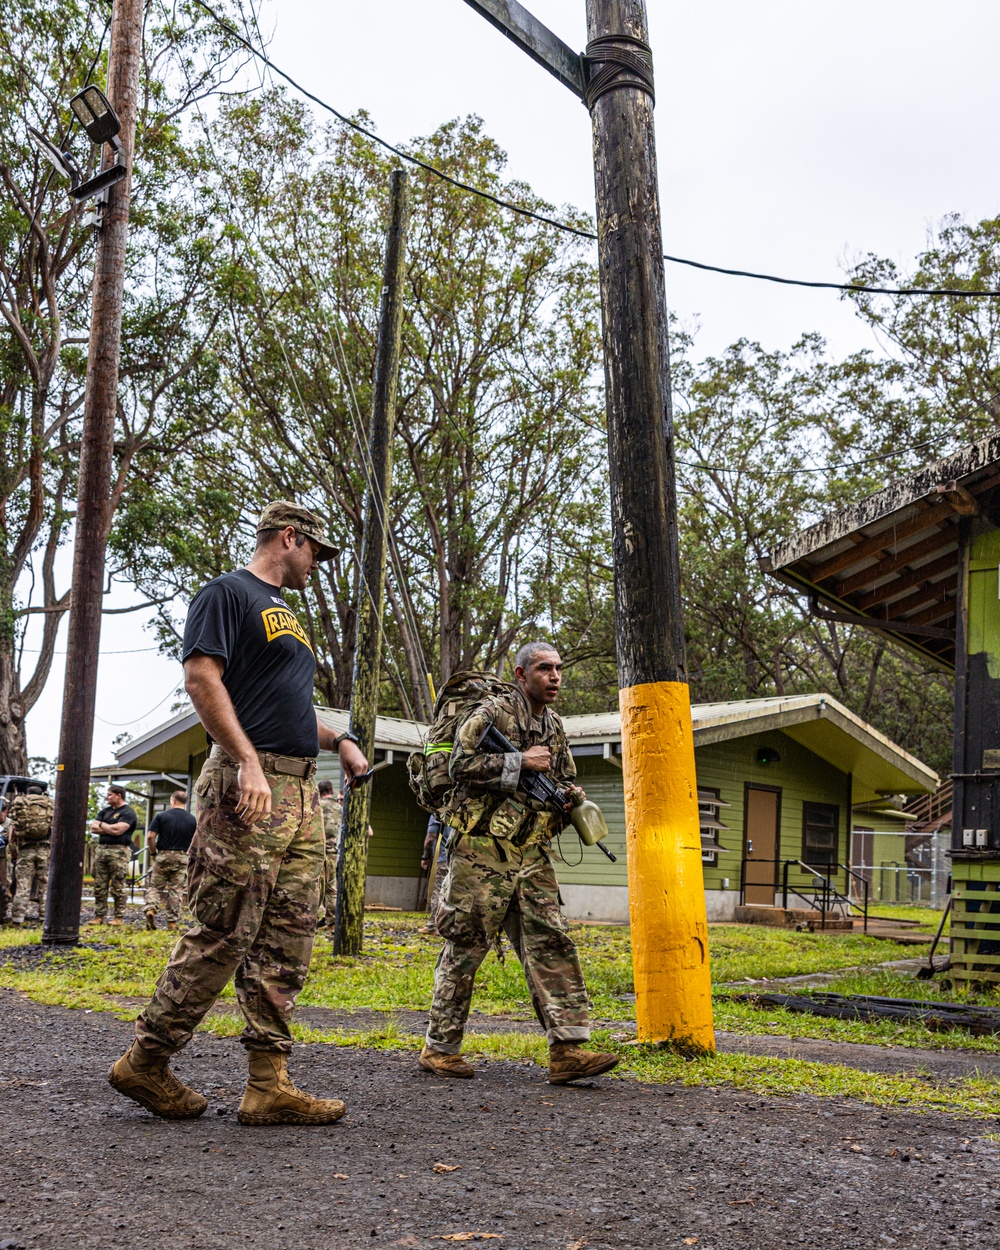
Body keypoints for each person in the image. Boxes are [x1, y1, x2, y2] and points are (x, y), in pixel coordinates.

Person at [109, 501, 368, 1126]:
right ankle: (146, 1060)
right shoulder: (227, 593)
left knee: (289, 935)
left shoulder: (290, 619)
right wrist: (246, 760)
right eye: (316, 553)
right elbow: (202, 679)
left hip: (301, 795)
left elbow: (286, 704)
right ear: (289, 538)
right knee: (222, 929)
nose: (318, 566)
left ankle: (267, 1083)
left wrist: (339, 740)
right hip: (248, 786)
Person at [419, 641, 619, 1085]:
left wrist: (571, 796)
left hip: (531, 852)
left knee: (551, 942)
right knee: (467, 945)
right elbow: (459, 765)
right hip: (483, 850)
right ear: (520, 673)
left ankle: (567, 1050)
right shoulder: (492, 713)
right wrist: (518, 761)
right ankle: (439, 1048)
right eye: (545, 668)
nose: (555, 676)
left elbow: (563, 774)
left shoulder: (554, 724)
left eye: (559, 669)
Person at [144, 790, 196, 931]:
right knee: (176, 889)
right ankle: (172, 922)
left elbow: (150, 836)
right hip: (182, 856)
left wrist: (153, 853)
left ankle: (151, 909)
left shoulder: (161, 816)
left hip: (163, 855)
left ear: (173, 800)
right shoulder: (192, 819)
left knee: (155, 886)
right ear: (185, 802)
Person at [90, 785, 138, 926]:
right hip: (102, 850)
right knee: (99, 885)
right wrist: (109, 827)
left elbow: (118, 831)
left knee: (118, 885)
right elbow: (93, 828)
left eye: (110, 794)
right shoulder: (104, 811)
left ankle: (119, 917)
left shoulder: (128, 813)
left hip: (119, 851)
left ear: (118, 795)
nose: (107, 797)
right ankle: (99, 916)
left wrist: (103, 825)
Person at [7, 784, 54, 925]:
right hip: (44, 848)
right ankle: (44, 917)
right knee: (45, 884)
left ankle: (17, 919)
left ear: (28, 793)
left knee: (23, 884)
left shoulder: (21, 803)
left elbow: (13, 829)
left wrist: (13, 850)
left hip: (25, 848)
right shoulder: (49, 804)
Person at [418, 813, 450, 934]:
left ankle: (433, 926)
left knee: (438, 892)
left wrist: (425, 857)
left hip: (443, 859)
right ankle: (450, 926)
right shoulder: (461, 812)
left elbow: (431, 838)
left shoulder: (438, 814)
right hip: (460, 861)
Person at [317, 778, 342, 926]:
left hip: (316, 853)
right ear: (332, 791)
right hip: (333, 853)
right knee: (331, 887)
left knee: (315, 887)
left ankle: (310, 918)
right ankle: (331, 919)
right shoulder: (341, 809)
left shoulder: (316, 806)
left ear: (319, 793)